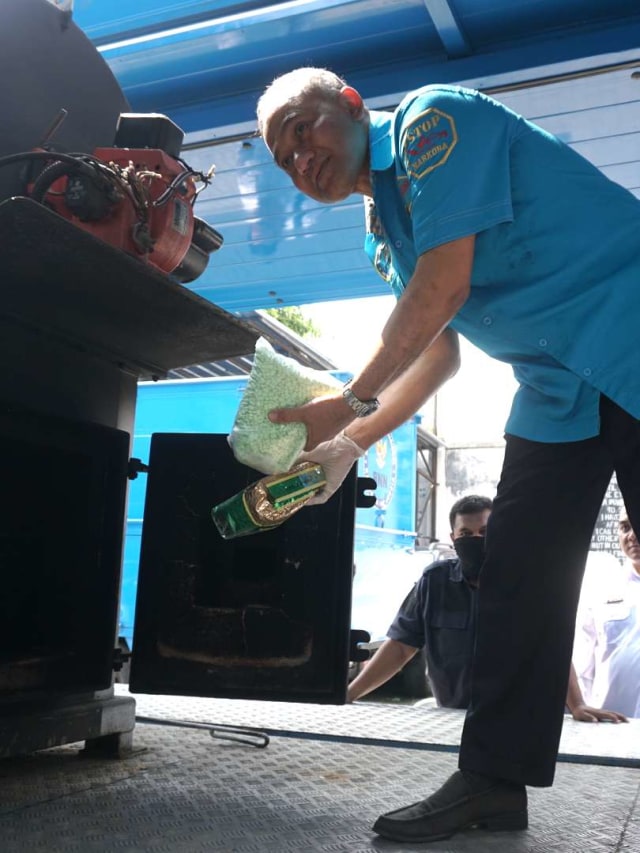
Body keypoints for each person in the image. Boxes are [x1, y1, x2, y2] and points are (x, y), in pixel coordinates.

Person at [256, 68, 640, 843]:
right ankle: (494, 782)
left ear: (352, 104)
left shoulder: (434, 123)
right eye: (282, 158)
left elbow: (444, 285)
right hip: (556, 386)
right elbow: (436, 358)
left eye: (304, 128)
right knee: (518, 577)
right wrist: (342, 446)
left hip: (629, 323)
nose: (301, 158)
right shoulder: (383, 233)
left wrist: (349, 398)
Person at [348, 494, 626, 726]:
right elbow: (400, 647)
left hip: (520, 722)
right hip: (454, 720)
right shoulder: (435, 583)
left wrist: (577, 705)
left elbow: (551, 649)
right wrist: (351, 693)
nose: (476, 539)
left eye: (484, 532)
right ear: (453, 538)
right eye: (466, 534)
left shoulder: (528, 584)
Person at [573, 508, 640, 718]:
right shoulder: (601, 588)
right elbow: (583, 663)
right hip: (615, 724)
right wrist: (579, 706)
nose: (631, 535)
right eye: (624, 527)